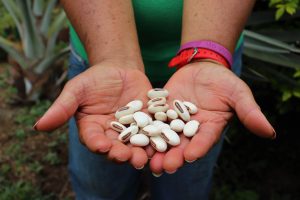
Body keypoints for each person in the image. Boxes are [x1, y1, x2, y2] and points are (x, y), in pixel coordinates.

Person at [34, 0, 276, 199]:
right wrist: (113, 57)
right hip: (100, 65)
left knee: (185, 190)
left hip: (212, 62)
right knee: (98, 188)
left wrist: (206, 55)